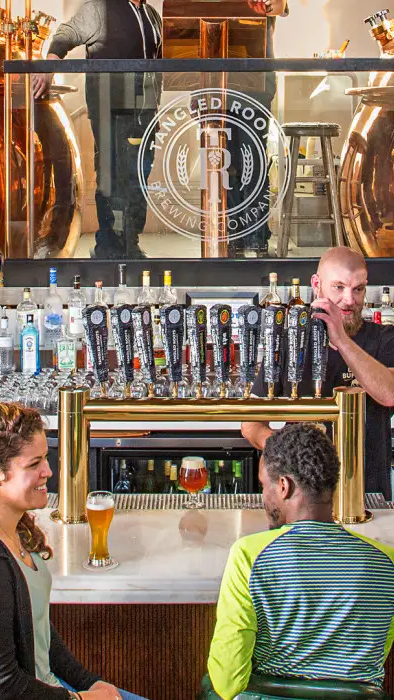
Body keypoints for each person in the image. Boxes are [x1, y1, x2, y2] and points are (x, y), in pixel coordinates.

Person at [207, 423, 394, 700]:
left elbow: (227, 682)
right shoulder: (386, 562)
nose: (263, 497)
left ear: (284, 486)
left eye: (264, 485)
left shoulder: (249, 555)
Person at [0, 402, 148, 700]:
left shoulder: (20, 530)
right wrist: (80, 699)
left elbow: (41, 632)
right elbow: (3, 686)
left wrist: (88, 682)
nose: (48, 471)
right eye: (33, 464)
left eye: (45, 459)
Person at [242, 246, 394, 499]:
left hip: (367, 494)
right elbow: (251, 423)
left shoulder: (383, 339)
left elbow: (389, 394)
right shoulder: (288, 342)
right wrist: (288, 451)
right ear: (317, 284)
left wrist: (342, 340)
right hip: (301, 497)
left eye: (358, 289)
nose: (349, 300)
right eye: (339, 287)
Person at [33, 0, 162, 260]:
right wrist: (49, 65)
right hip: (110, 112)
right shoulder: (98, 9)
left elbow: (157, 65)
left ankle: (129, 243)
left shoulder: (152, 15)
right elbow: (65, 34)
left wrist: (156, 107)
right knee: (112, 180)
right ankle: (108, 247)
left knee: (139, 181)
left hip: (145, 116)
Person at [228, 0, 289, 259]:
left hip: (256, 85)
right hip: (217, 84)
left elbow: (278, 6)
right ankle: (234, 236)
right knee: (226, 166)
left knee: (253, 160)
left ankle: (256, 235)